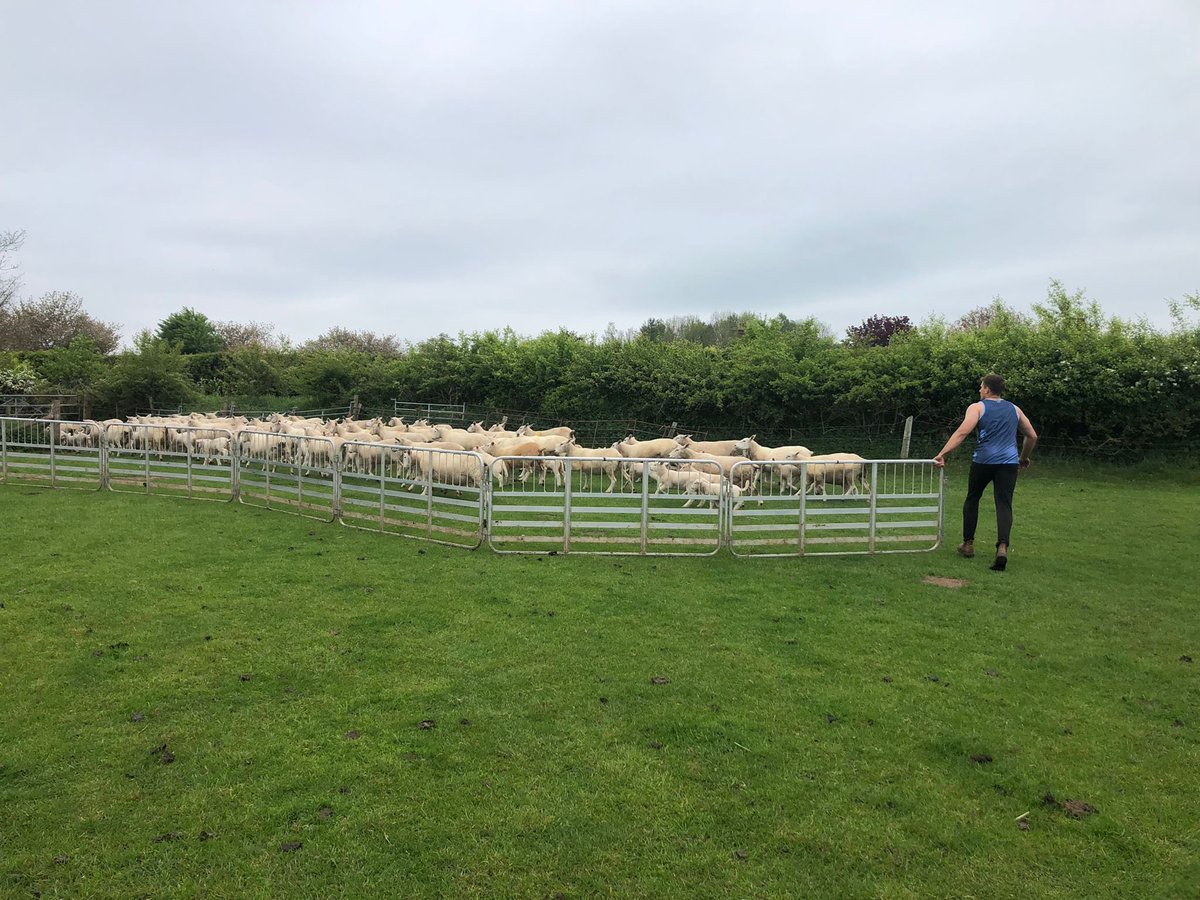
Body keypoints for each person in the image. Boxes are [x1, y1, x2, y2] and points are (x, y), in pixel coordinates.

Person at [932, 373, 1037, 571]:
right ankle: (1002, 547)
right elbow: (1031, 435)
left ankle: (968, 544)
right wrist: (1023, 458)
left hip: (983, 461)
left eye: (981, 387)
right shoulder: (1015, 409)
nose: (980, 390)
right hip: (1008, 463)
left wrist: (942, 453)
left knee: (973, 498)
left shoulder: (977, 407)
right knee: (1004, 504)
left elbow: (962, 432)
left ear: (987, 389)